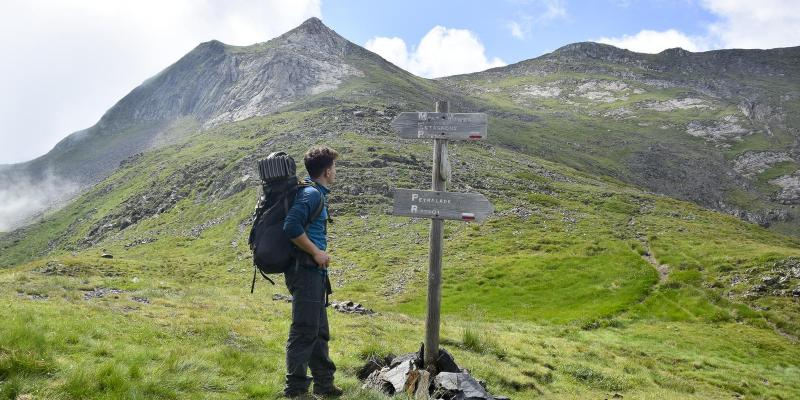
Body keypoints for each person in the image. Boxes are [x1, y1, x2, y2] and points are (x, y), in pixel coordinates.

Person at [281, 145, 342, 398]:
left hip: (313, 274)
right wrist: (316, 253)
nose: (336, 171)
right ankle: (295, 390)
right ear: (327, 171)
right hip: (305, 272)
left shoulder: (314, 192)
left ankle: (324, 385)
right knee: (304, 330)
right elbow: (291, 225)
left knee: (318, 330)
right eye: (335, 167)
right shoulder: (311, 195)